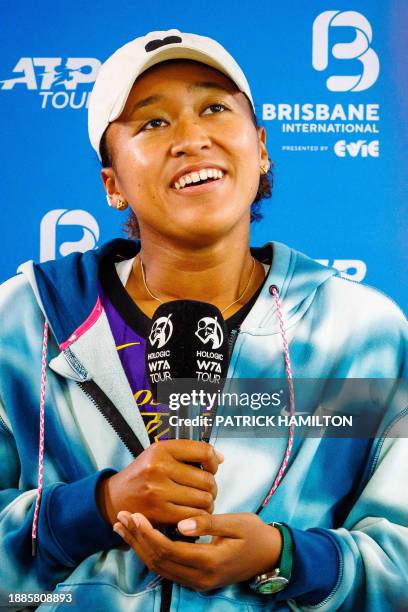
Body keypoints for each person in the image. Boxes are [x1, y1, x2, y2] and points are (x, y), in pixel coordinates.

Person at [0, 28, 407, 612]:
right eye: (152, 122)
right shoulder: (23, 324)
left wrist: (285, 557)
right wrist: (98, 507)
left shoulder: (359, 333)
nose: (192, 138)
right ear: (112, 184)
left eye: (214, 108)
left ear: (260, 147)